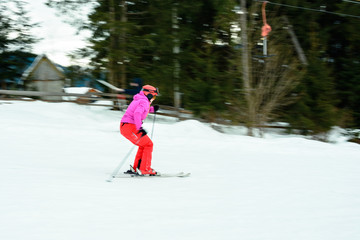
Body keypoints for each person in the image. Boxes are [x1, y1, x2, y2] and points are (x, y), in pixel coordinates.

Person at [120, 85, 160, 175]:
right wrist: (139, 128)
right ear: (149, 94)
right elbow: (137, 113)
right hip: (130, 126)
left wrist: (153, 109)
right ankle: (145, 169)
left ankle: (137, 167)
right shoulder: (144, 101)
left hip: (125, 126)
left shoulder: (140, 99)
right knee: (149, 144)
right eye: (153, 96)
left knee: (144, 145)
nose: (153, 98)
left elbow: (142, 110)